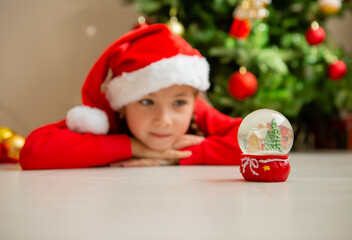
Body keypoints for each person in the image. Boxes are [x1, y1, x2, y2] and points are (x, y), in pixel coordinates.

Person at [19, 24, 242, 170]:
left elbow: (269, 139)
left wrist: (179, 154)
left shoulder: (196, 110)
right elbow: (34, 151)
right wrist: (134, 147)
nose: (164, 119)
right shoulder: (107, 115)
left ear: (193, 102)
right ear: (123, 104)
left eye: (179, 103)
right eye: (147, 101)